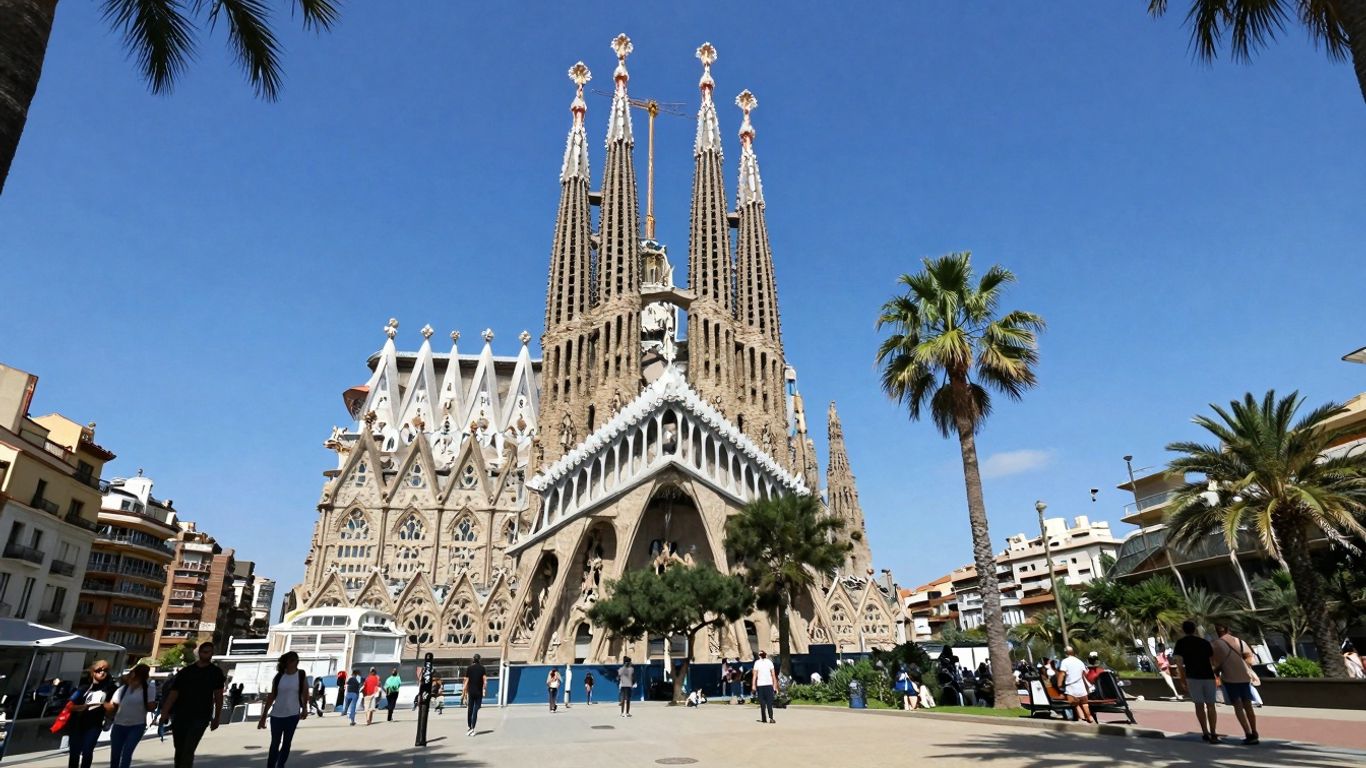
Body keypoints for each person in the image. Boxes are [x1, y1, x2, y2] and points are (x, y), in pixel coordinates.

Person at [162, 641, 227, 768]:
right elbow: (174, 693)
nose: (207, 654)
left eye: (209, 652)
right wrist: (165, 712)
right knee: (179, 748)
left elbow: (218, 696)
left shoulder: (216, 672)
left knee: (189, 749)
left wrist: (217, 717)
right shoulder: (186, 671)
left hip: (201, 716)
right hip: (181, 715)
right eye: (204, 651)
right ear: (200, 653)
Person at [258, 651, 308, 768]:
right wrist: (264, 715)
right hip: (276, 715)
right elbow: (272, 696)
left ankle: (280, 765)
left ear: (296, 662)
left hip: (292, 714)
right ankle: (271, 765)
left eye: (293, 661)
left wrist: (305, 708)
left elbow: (304, 692)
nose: (290, 663)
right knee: (275, 743)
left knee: (286, 743)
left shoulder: (300, 675)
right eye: (288, 661)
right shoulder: (279, 676)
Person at [1173, 620, 1219, 743]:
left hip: (1193, 677)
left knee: (1199, 705)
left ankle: (1205, 732)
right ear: (1194, 629)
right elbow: (1213, 661)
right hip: (1208, 676)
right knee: (1211, 705)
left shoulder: (1181, 643)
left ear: (1183, 630)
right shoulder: (1204, 642)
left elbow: (1179, 664)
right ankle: (1213, 732)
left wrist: (1182, 680)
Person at [1212, 623, 1259, 745]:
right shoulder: (1240, 642)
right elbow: (1250, 657)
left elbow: (1214, 662)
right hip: (1244, 677)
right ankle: (1254, 731)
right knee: (1248, 705)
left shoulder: (1216, 644)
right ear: (1228, 629)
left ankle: (1247, 732)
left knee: (1238, 706)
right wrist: (1244, 666)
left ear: (1217, 631)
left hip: (1230, 678)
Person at [66, 660, 117, 768]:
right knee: (74, 752)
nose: (102, 672)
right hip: (77, 723)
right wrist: (82, 707)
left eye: (105, 670)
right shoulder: (83, 686)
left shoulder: (111, 688)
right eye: (99, 670)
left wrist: (103, 704)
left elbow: (113, 707)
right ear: (93, 671)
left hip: (94, 724)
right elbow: (69, 705)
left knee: (87, 751)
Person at [109, 663, 156, 768]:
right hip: (118, 725)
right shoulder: (123, 689)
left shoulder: (148, 688)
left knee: (126, 753)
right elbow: (113, 704)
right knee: (115, 755)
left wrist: (153, 705)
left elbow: (150, 706)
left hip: (136, 726)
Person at [1056, 646, 1093, 724]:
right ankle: (1089, 717)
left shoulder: (1065, 661)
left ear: (1066, 653)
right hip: (1081, 687)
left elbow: (1062, 674)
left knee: (1075, 704)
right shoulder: (1079, 661)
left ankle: (1082, 718)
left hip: (1071, 687)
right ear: (1073, 652)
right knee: (1085, 703)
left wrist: (1059, 684)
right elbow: (1085, 673)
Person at [461, 653, 487, 737]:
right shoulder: (482, 668)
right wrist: (483, 690)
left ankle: (469, 727)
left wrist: (463, 691)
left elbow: (467, 681)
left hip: (471, 691)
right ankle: (472, 727)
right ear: (479, 659)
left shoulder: (469, 668)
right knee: (476, 709)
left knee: (470, 709)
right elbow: (485, 681)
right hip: (478, 692)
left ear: (473, 659)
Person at [751, 650, 777, 724]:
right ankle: (770, 718)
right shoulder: (769, 662)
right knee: (769, 703)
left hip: (761, 685)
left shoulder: (757, 663)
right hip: (768, 684)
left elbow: (754, 675)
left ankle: (764, 718)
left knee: (763, 703)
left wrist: (753, 685)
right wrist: (774, 685)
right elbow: (773, 675)